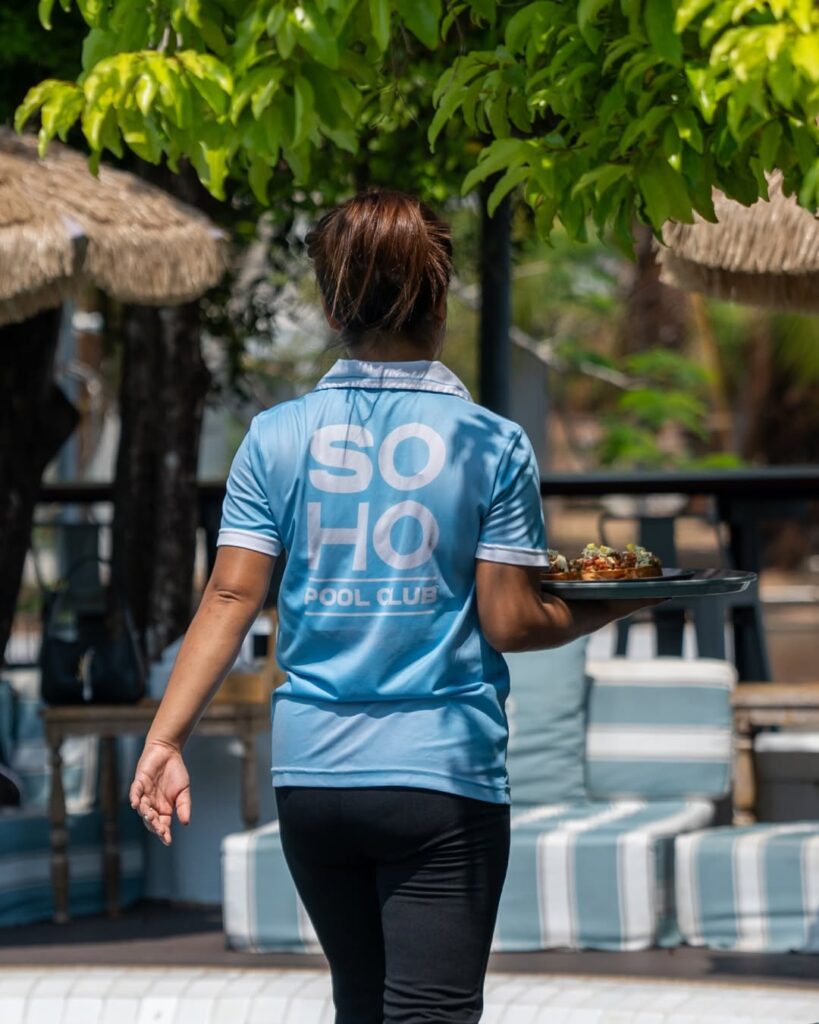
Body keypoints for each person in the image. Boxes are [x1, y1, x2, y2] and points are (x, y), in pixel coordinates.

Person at [130, 190, 657, 1024]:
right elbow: (511, 620)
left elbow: (229, 596)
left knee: (364, 1010)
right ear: (440, 300)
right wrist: (617, 604)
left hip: (313, 779)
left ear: (335, 306)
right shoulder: (490, 442)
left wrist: (165, 740)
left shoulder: (276, 435)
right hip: (439, 779)